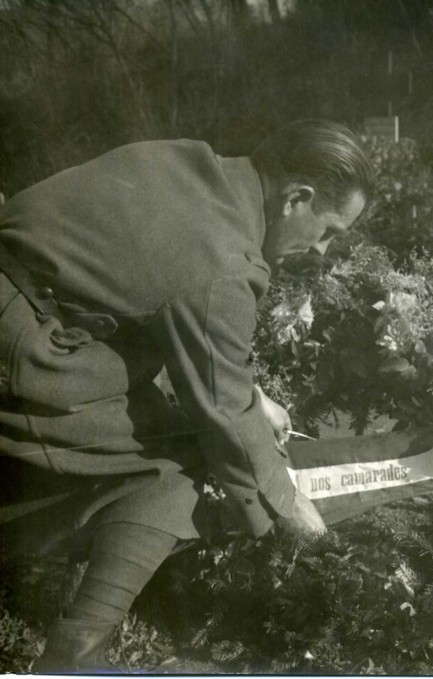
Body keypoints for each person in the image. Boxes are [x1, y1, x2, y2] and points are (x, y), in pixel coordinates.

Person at [0, 119, 373, 672]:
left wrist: (254, 395)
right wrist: (289, 506)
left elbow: (164, 296)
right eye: (329, 231)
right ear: (297, 198)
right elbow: (222, 411)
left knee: (175, 421)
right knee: (187, 455)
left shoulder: (191, 163)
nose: (322, 251)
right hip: (24, 346)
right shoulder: (225, 262)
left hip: (22, 304)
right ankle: (73, 657)